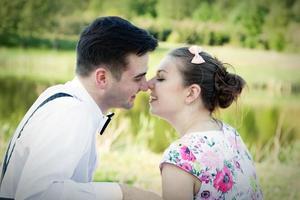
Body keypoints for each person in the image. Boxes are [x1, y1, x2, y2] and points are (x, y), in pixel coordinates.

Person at [0, 16, 162, 200]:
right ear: (102, 78)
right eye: (138, 78)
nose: (144, 86)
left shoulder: (65, 99)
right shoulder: (71, 113)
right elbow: (36, 195)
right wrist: (122, 193)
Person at [148, 46, 263, 200]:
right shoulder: (230, 134)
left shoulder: (179, 158)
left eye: (161, 78)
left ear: (191, 93)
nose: (149, 84)